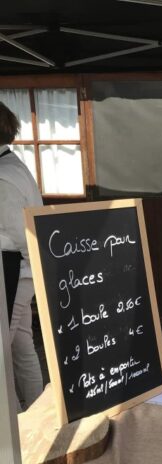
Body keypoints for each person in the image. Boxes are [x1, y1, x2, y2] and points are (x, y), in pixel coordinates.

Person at [0, 101, 44, 410]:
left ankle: (15, 427)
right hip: (23, 271)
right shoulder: (13, 164)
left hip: (15, 272)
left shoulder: (4, 174)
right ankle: (37, 410)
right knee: (21, 345)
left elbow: (19, 234)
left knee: (4, 356)